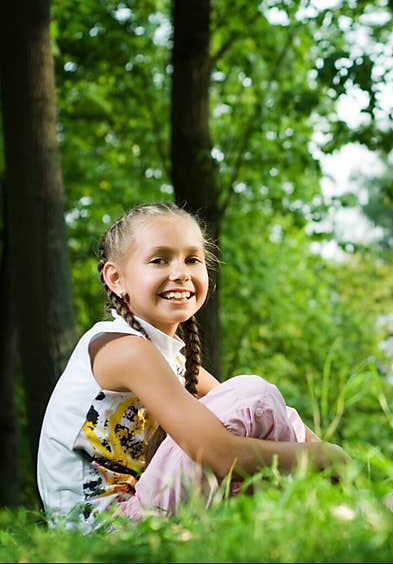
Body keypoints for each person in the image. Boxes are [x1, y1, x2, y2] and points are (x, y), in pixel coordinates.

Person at [37, 202, 352, 531]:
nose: (180, 273)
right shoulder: (124, 349)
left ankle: (354, 507)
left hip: (134, 514)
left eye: (192, 259)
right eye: (159, 260)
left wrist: (330, 458)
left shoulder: (170, 360)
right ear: (116, 279)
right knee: (252, 393)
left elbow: (273, 416)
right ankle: (350, 509)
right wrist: (327, 458)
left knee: (260, 406)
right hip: (105, 531)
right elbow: (222, 451)